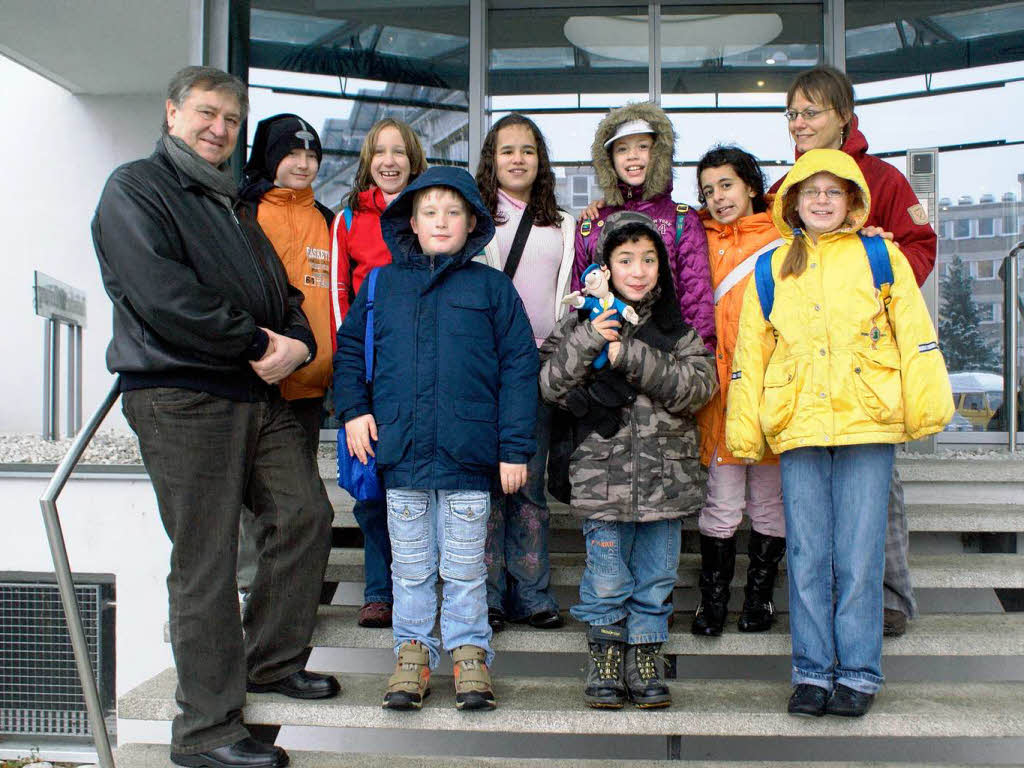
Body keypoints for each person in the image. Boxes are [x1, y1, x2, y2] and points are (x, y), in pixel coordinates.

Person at [92, 66, 337, 768]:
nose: (219, 129)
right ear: (172, 114)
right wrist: (259, 342)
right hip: (182, 394)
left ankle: (270, 662)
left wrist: (298, 341)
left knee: (304, 517)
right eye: (206, 114)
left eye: (230, 120)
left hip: (253, 393)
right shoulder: (137, 189)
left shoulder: (230, 202)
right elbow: (164, 296)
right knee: (204, 562)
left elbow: (284, 292)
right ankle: (205, 732)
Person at [727, 148, 953, 718]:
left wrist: (926, 408)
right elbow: (751, 355)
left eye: (833, 191)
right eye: (811, 191)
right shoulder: (770, 266)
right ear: (793, 203)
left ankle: (856, 672)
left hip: (867, 420)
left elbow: (916, 336)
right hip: (800, 421)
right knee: (806, 553)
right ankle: (810, 672)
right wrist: (745, 428)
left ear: (852, 199)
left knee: (857, 552)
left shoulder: (882, 256)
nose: (822, 201)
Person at [334, 166, 539, 712]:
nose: (441, 221)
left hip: (470, 457)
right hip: (399, 451)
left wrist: (514, 448)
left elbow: (520, 368)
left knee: (468, 565)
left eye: (453, 211)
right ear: (411, 222)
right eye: (430, 212)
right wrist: (354, 411)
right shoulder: (382, 283)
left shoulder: (492, 288)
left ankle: (470, 654)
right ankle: (412, 655)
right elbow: (351, 351)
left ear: (472, 221)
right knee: (411, 563)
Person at [771, 66, 939, 638]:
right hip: (804, 372)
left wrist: (881, 272)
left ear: (844, 116)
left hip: (866, 369)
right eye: (792, 113)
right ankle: (819, 605)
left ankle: (889, 597)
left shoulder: (884, 181)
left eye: (810, 112)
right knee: (809, 495)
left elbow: (920, 246)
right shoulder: (785, 186)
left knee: (876, 489)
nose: (799, 123)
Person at [540, 211, 716, 710]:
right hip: (603, 482)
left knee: (657, 577)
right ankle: (605, 658)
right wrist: (594, 337)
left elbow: (698, 389)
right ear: (606, 267)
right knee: (606, 577)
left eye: (648, 259)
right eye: (625, 259)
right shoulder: (577, 324)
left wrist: (629, 357)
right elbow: (549, 384)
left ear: (661, 267)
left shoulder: (677, 331)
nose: (638, 270)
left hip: (668, 482)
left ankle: (644, 656)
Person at [475, 114, 575, 632]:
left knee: (529, 483)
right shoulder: (475, 216)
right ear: (491, 158)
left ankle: (532, 592)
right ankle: (488, 595)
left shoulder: (562, 220)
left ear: (541, 161)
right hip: (485, 363)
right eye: (507, 149)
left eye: (528, 150)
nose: (518, 159)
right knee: (489, 482)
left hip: (540, 363)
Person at [234, 113, 337, 603]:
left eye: (312, 154)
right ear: (269, 157)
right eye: (292, 154)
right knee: (253, 498)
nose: (303, 164)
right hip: (252, 379)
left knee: (300, 493)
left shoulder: (328, 219)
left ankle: (298, 588)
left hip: (310, 381)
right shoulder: (241, 212)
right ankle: (249, 592)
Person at [332, 118, 428, 629]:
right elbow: (337, 299)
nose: (389, 161)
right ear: (368, 161)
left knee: (414, 484)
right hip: (367, 365)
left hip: (419, 363)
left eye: (399, 152)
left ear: (414, 161)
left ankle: (421, 585)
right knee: (369, 485)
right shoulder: (348, 219)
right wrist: (348, 391)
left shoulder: (428, 213)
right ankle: (378, 590)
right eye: (379, 152)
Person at [691, 146, 786, 637]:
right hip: (717, 398)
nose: (718, 196)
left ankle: (759, 599)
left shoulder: (784, 235)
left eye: (726, 185)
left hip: (766, 393)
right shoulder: (697, 237)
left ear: (751, 185)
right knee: (721, 504)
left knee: (769, 503)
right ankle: (713, 602)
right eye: (708, 189)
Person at [574, 102, 715, 353]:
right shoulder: (590, 224)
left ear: (658, 153)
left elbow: (697, 304)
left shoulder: (682, 219)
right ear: (609, 160)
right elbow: (579, 303)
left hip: (667, 361)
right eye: (622, 149)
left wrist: (696, 368)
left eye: (643, 146)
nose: (633, 156)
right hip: (605, 363)